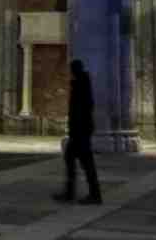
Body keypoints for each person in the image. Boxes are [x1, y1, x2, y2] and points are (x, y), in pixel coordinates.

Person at [56, 59, 101, 205]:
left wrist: (76, 129)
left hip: (80, 132)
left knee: (86, 163)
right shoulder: (81, 83)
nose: (71, 72)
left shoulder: (81, 85)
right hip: (80, 131)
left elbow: (80, 110)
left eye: (72, 69)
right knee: (74, 159)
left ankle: (93, 195)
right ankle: (73, 192)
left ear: (76, 69)